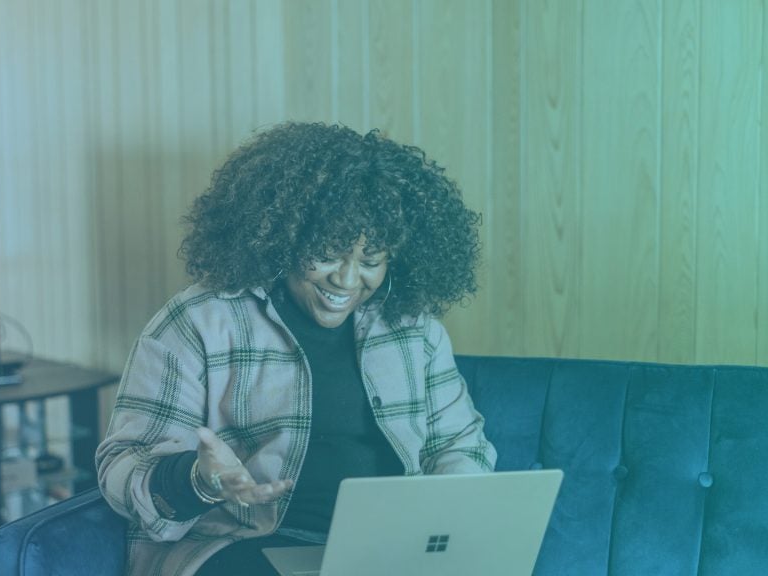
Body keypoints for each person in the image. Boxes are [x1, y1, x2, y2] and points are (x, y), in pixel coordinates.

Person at [96, 122, 497, 576]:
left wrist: (447, 519)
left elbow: (461, 444)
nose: (346, 281)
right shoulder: (198, 323)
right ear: (284, 238)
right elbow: (122, 468)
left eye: (370, 262)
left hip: (384, 551)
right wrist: (197, 479)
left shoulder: (415, 330)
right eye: (327, 253)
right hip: (240, 544)